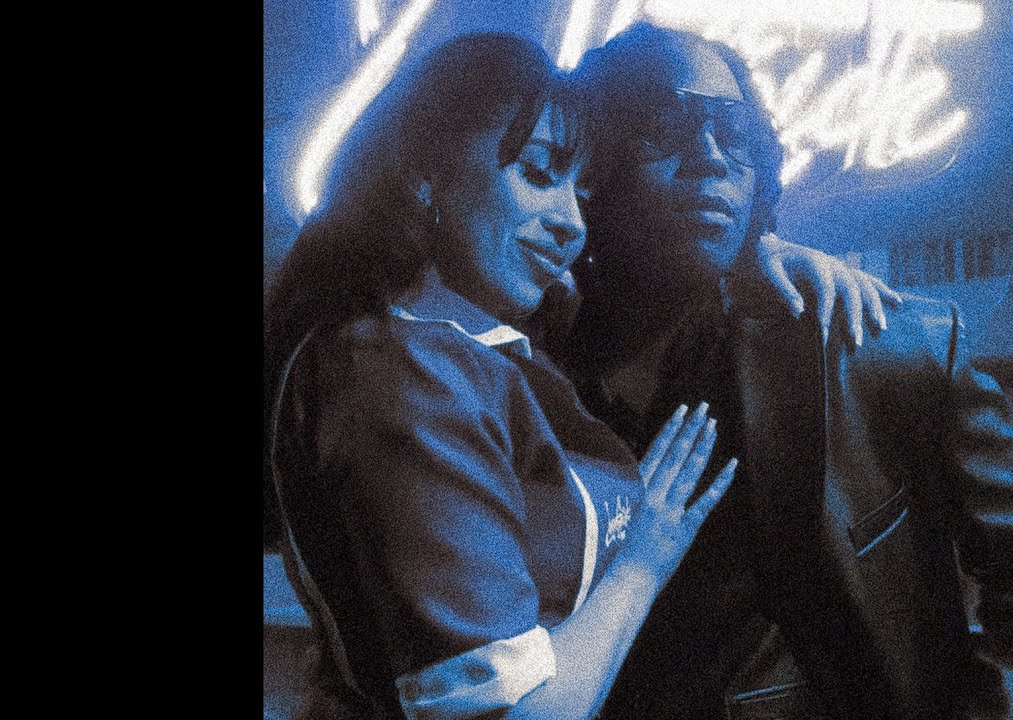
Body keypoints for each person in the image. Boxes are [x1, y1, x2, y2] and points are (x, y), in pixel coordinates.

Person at [263, 32, 895, 720]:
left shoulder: (477, 344)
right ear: (424, 172)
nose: (570, 223)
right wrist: (645, 559)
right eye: (538, 174)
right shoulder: (408, 372)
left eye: (580, 190)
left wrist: (754, 249)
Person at [560, 22, 1013, 720]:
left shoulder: (883, 346)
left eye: (736, 134)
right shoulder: (516, 363)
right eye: (666, 128)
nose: (711, 157)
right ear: (590, 163)